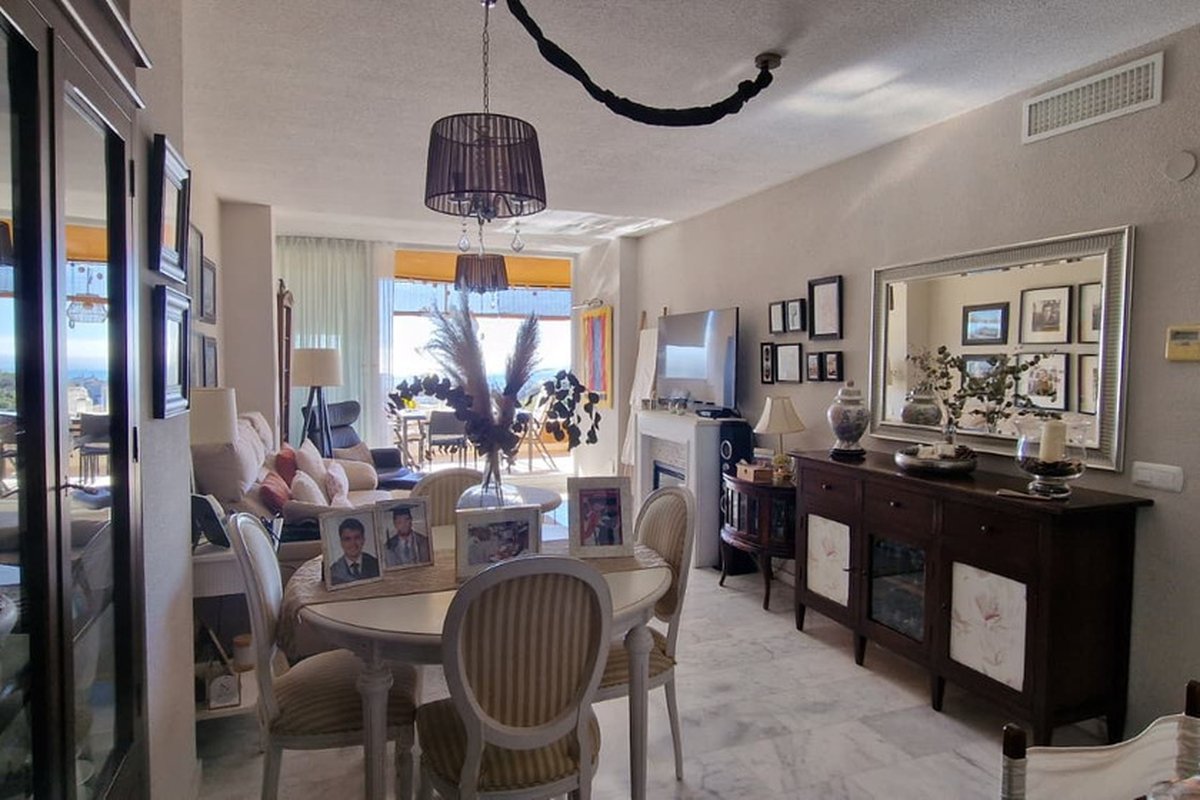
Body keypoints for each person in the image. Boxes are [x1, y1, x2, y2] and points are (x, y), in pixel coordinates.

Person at [328, 517, 380, 585]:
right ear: (341, 542)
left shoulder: (377, 565)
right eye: (347, 539)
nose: (353, 543)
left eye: (357, 538)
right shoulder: (333, 572)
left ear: (363, 540)